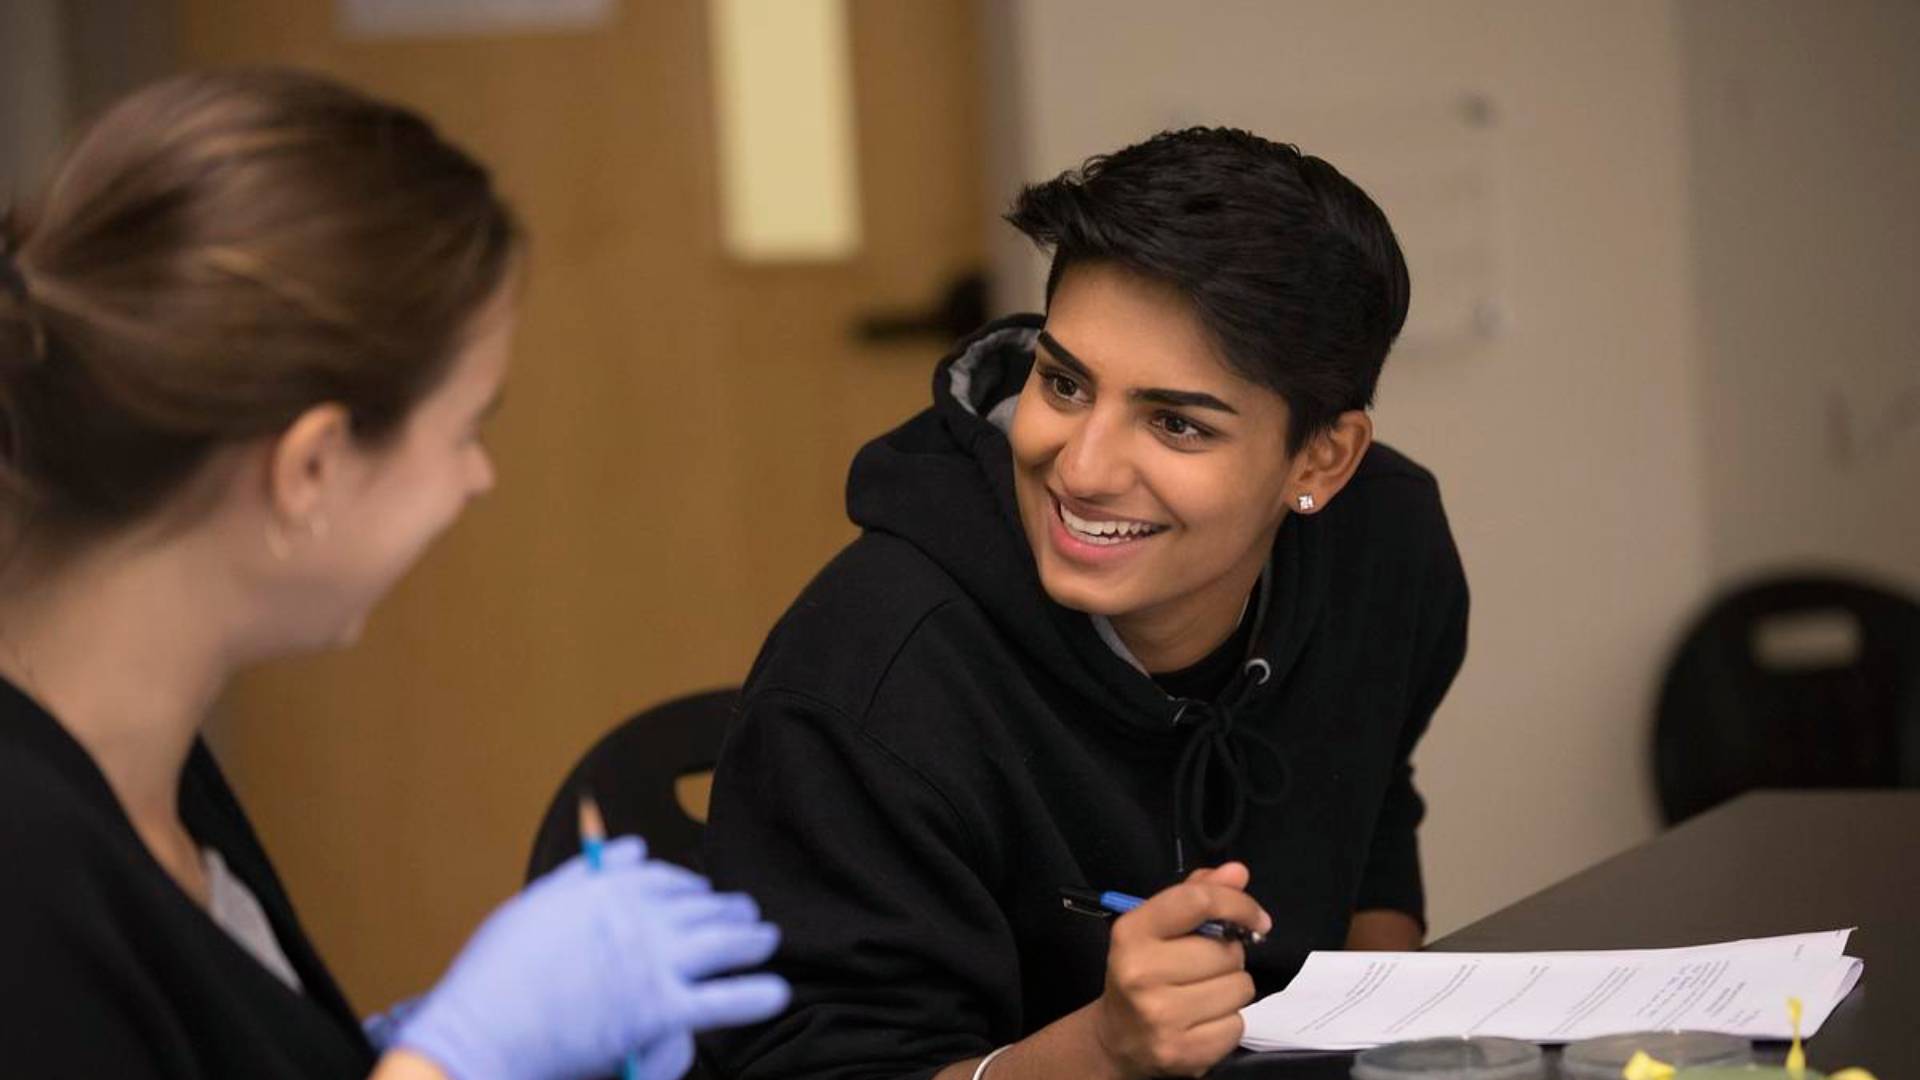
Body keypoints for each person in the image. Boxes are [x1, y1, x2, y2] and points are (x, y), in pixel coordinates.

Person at [0, 69, 787, 1079]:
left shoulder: (141, 761)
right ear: (312, 466)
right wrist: (454, 1062)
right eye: (466, 429)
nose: (477, 478)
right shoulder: (24, 863)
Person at [700, 127, 1469, 1080]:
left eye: (1175, 422)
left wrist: (1366, 1040)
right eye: (1063, 383)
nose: (1083, 467)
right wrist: (1103, 1048)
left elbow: (1373, 807)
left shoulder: (1385, 548)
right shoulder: (871, 671)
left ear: (1322, 459)